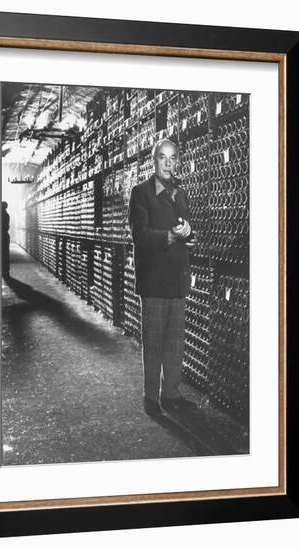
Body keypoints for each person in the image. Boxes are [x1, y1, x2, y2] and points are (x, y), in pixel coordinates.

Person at [128, 139, 196, 416]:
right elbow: (139, 235)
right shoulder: (140, 193)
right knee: (153, 341)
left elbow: (186, 229)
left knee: (175, 343)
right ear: (153, 160)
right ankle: (151, 398)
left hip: (177, 278)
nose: (168, 163)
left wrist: (189, 233)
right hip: (154, 280)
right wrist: (171, 236)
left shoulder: (180, 192)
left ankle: (171, 395)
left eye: (173, 158)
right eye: (162, 158)